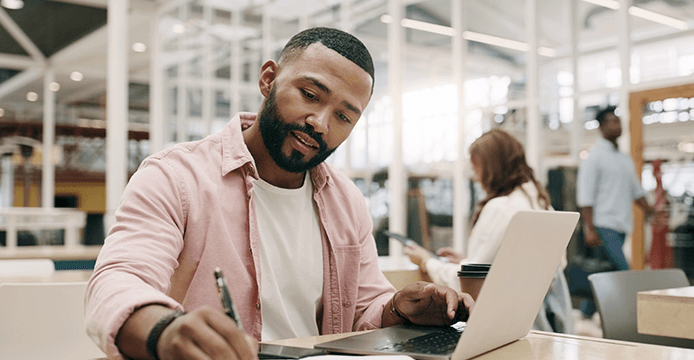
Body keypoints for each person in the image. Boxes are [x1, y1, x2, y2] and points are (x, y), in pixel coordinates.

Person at [84, 27, 473, 360]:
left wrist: (398, 310)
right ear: (269, 79)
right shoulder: (176, 176)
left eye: (343, 116)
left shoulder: (346, 202)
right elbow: (118, 282)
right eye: (310, 94)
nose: (319, 123)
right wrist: (166, 332)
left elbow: (361, 315)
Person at [405, 128, 574, 334]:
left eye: (477, 169)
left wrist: (426, 260)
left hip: (502, 328)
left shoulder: (500, 209)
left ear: (492, 167)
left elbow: (469, 286)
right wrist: (466, 261)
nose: (476, 178)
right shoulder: (539, 202)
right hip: (543, 325)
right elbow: (536, 267)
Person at [576, 105, 654, 319]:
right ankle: (632, 318)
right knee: (622, 271)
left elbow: (636, 191)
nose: (618, 125)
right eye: (613, 121)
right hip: (603, 225)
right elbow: (586, 196)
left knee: (603, 271)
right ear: (601, 127)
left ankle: (585, 313)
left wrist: (650, 211)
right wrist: (589, 228)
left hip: (621, 225)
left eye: (619, 121)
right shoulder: (594, 157)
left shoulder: (623, 158)